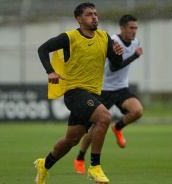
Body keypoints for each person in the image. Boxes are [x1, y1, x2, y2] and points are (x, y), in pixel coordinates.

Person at [34, 2, 124, 184]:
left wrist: (118, 55)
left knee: (71, 140)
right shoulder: (70, 37)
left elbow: (116, 66)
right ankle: (94, 166)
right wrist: (49, 71)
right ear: (79, 19)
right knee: (105, 117)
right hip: (75, 93)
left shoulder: (104, 37)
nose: (94, 17)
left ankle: (45, 164)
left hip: (93, 95)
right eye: (89, 14)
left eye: (95, 14)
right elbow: (42, 49)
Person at [73, 14, 143, 174]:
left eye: (136, 28)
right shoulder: (112, 41)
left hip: (121, 88)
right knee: (92, 130)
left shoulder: (135, 42)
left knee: (137, 111)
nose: (134, 31)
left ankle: (118, 127)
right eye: (131, 28)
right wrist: (135, 56)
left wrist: (134, 54)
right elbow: (114, 68)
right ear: (122, 28)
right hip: (104, 89)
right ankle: (79, 158)